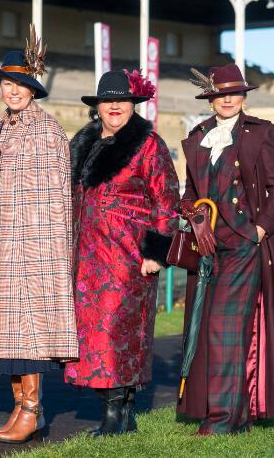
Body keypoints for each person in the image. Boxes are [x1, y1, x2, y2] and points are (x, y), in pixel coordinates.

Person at [179, 63, 274, 435]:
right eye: (221, 94)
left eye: (234, 92)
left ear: (243, 96)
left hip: (244, 246)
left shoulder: (261, 133)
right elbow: (188, 194)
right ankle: (234, 416)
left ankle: (222, 418)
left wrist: (260, 229)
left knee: (224, 326)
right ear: (212, 98)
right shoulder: (198, 135)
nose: (228, 99)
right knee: (205, 328)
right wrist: (193, 214)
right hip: (206, 247)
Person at [0, 27, 78, 445]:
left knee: (28, 334)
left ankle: (32, 409)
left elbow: (57, 201)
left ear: (33, 88)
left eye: (20, 84)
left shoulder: (46, 131)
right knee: (9, 336)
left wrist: (49, 254)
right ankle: (20, 405)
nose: (13, 90)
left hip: (32, 248)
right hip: (1, 245)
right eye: (7, 83)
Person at [64, 70, 179, 435]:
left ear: (133, 105)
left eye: (122, 100)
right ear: (97, 106)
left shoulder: (148, 144)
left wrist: (155, 252)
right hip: (87, 258)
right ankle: (122, 416)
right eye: (107, 100)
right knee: (92, 337)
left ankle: (114, 418)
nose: (114, 106)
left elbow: (167, 199)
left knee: (117, 334)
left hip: (127, 257)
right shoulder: (83, 141)